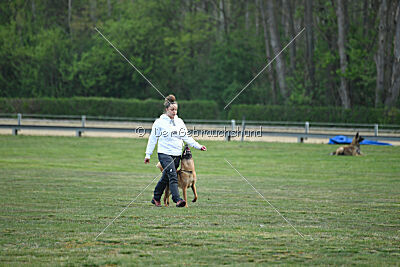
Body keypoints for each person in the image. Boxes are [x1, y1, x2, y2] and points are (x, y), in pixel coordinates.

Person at [144, 94, 207, 207]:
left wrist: (198, 146)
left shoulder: (179, 122)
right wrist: (148, 154)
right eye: (172, 110)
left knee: (166, 177)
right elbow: (153, 139)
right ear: (167, 109)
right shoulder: (159, 122)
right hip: (164, 154)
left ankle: (156, 197)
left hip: (176, 155)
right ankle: (177, 199)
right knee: (173, 176)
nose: (174, 112)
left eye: (176, 110)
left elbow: (186, 137)